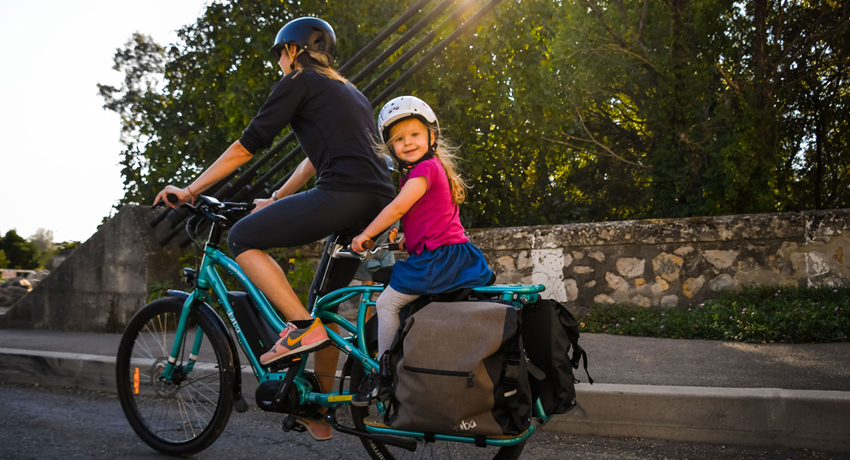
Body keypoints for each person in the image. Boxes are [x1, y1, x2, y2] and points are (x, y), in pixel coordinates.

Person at [153, 17, 396, 440]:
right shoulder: (349, 91)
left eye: (280, 56)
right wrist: (280, 198)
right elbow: (312, 158)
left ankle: (302, 329)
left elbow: (244, 147)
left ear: (293, 51)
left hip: (342, 193)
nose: (279, 64)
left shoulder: (298, 80)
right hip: (376, 201)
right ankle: (317, 406)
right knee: (327, 302)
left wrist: (190, 191)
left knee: (242, 236)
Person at [349, 96, 494, 406]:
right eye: (399, 139)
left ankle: (383, 372)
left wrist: (366, 233)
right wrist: (406, 239)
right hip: (447, 254)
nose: (408, 142)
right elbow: (433, 218)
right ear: (391, 147)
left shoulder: (424, 170)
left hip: (439, 260)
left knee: (387, 304)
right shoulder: (430, 169)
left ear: (431, 136)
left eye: (414, 134)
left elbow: (399, 206)